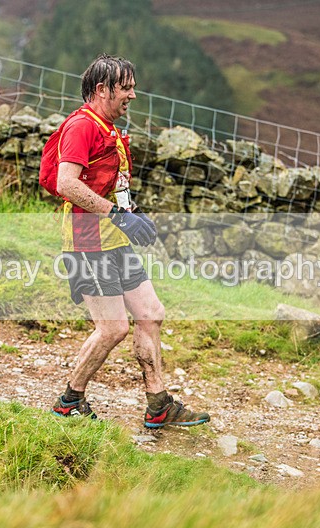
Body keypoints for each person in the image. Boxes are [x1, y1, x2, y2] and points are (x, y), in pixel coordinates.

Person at [47, 54, 210, 428]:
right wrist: (119, 216)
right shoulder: (81, 126)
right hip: (87, 241)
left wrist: (130, 213)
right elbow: (65, 183)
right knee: (113, 328)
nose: (133, 95)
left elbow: (107, 183)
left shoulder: (108, 128)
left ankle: (158, 404)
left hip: (114, 240)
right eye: (127, 87)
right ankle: (69, 401)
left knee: (150, 312)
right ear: (103, 89)